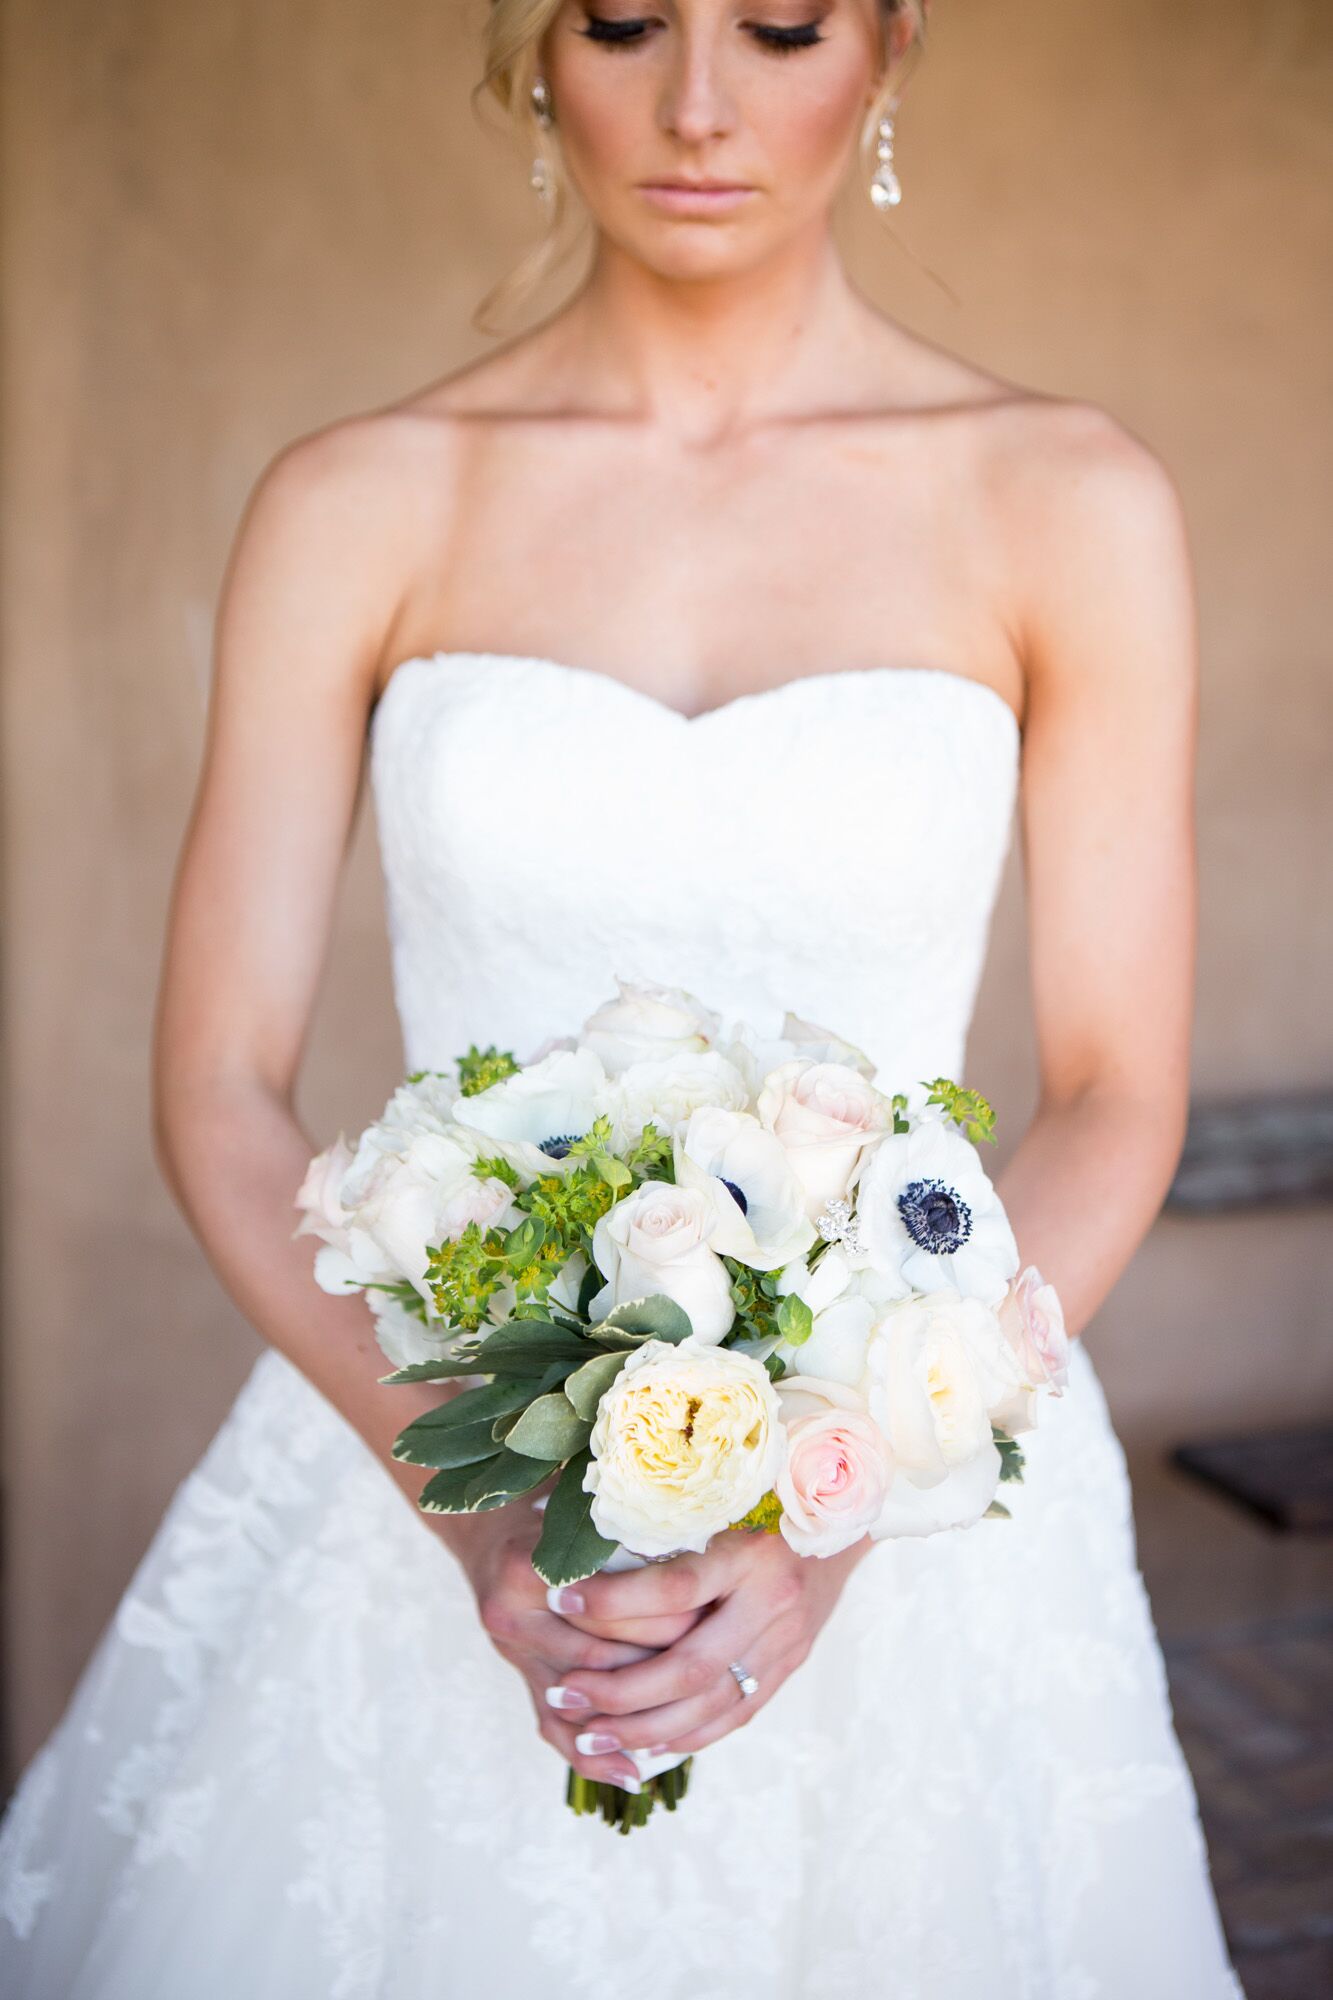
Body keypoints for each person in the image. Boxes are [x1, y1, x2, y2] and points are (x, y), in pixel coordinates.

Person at [0, 1, 1246, 1994]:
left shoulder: (1067, 504)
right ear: (530, 52)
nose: (694, 103)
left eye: (775, 25)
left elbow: (1113, 1093)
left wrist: (849, 1499)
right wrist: (471, 1504)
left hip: (924, 1509)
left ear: (889, 44)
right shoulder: (358, 503)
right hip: (430, 1453)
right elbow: (221, 1082)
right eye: (621, 21)